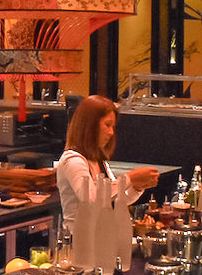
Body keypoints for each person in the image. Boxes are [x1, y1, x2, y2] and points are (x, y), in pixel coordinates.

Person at [56, 95, 159, 233]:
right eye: (107, 125)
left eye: (113, 127)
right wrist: (130, 178)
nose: (111, 132)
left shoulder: (98, 160)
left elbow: (115, 201)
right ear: (90, 125)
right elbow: (91, 200)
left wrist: (137, 187)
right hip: (79, 239)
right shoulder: (73, 160)